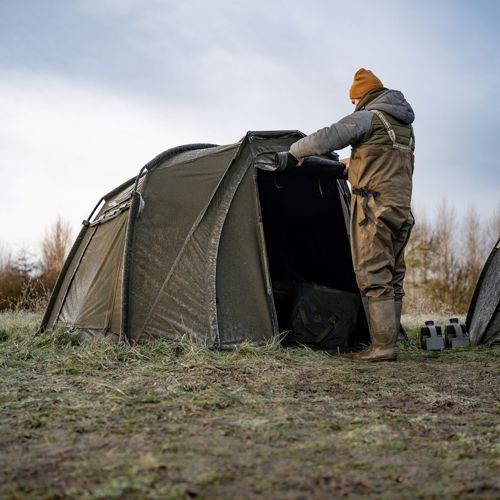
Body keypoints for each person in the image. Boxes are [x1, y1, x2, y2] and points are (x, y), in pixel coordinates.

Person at [289, 68, 415, 362]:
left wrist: (297, 150)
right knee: (393, 275)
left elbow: (329, 137)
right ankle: (391, 343)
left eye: (353, 100)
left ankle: (382, 348)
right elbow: (383, 163)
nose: (353, 106)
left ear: (362, 96)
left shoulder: (368, 117)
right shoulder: (401, 126)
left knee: (372, 273)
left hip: (373, 209)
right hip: (400, 209)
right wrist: (355, 163)